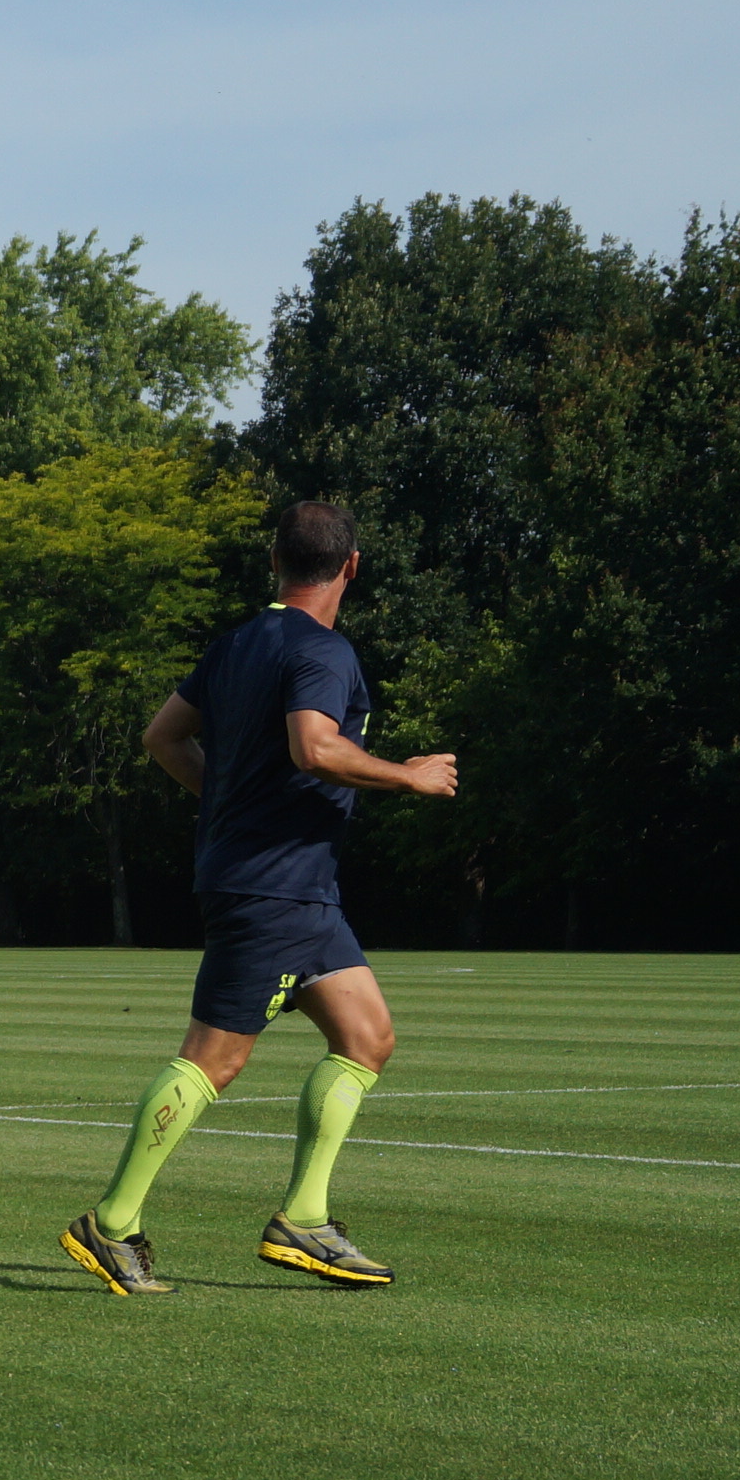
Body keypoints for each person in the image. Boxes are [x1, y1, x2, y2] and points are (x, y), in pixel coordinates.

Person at [63, 501, 457, 1294]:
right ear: (351, 566)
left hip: (303, 892)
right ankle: (110, 1223)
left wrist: (226, 801)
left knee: (367, 1038)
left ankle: (303, 1220)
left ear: (275, 561)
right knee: (215, 1059)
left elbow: (161, 737)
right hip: (271, 889)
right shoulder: (323, 649)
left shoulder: (236, 644)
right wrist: (406, 775)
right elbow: (314, 746)